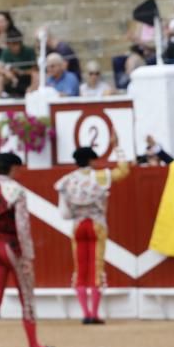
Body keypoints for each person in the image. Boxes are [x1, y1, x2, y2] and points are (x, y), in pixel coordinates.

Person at [0, 152, 55, 347]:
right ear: (13, 168)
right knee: (26, 297)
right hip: (12, 247)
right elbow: (22, 226)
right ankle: (34, 345)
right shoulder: (17, 191)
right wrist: (26, 254)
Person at [55, 139, 130, 325]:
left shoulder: (67, 181)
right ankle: (94, 314)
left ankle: (85, 312)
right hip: (97, 225)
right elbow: (124, 171)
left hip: (78, 226)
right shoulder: (100, 177)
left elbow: (64, 213)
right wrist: (117, 147)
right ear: (91, 161)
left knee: (80, 269)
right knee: (96, 267)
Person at [0, 29, 37, 98]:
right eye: (11, 44)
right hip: (13, 79)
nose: (15, 47)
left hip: (27, 78)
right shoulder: (6, 52)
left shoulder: (29, 51)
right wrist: (8, 73)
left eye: (16, 43)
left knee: (36, 75)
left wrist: (23, 72)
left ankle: (31, 95)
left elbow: (35, 69)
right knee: (0, 77)